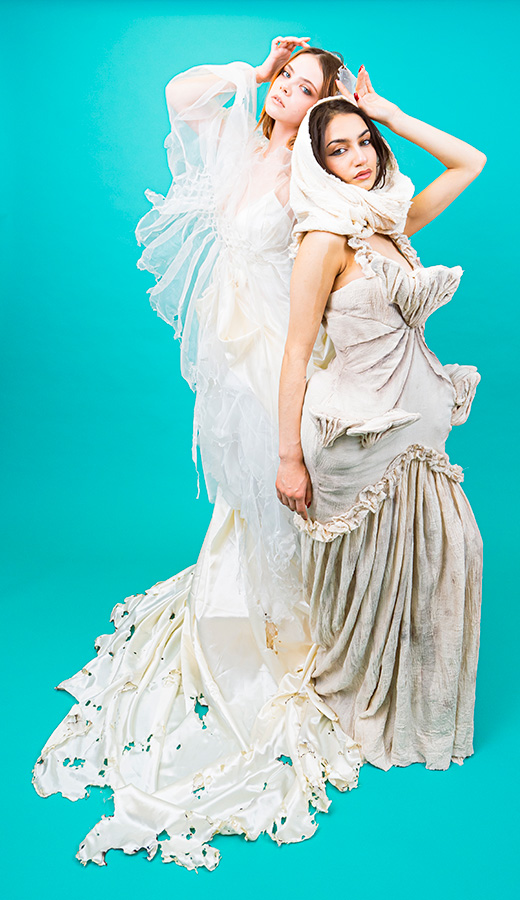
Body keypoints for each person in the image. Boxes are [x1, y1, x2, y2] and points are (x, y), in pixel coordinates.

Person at [31, 38, 362, 872]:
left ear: (324, 105)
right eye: (285, 80)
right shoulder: (242, 146)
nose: (286, 92)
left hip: (275, 352)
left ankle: (292, 631)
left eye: (302, 87)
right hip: (226, 346)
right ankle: (253, 607)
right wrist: (254, 71)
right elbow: (182, 96)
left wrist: (348, 117)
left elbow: (346, 234)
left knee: (274, 483)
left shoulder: (308, 172)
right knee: (240, 492)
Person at [276, 77, 486, 772]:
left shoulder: (390, 224)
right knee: (373, 587)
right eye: (340, 148)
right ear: (319, 163)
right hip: (362, 443)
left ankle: (421, 714)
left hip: (423, 440)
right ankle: (367, 699)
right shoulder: (324, 240)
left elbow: (469, 162)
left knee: (449, 562)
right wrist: (288, 458)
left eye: (364, 141)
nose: (360, 156)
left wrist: (393, 112)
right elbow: (297, 353)